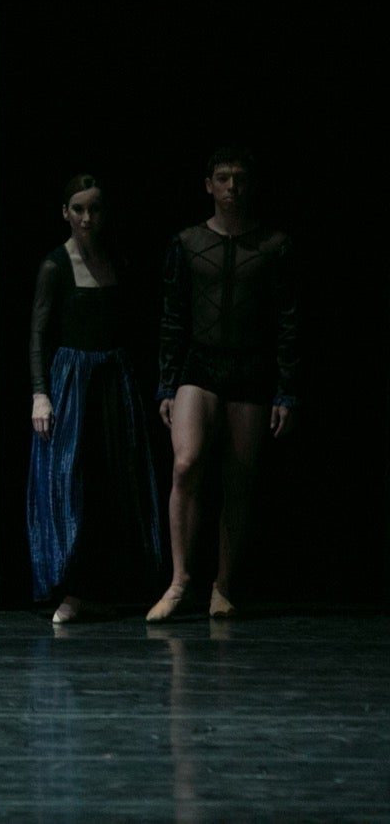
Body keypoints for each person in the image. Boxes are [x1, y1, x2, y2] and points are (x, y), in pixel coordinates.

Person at [149, 148, 298, 621]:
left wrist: (286, 389)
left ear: (250, 185)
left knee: (238, 479)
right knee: (186, 462)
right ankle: (179, 581)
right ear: (208, 185)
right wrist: (167, 384)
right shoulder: (188, 242)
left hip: (251, 370)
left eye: (239, 178)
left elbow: (289, 321)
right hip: (201, 365)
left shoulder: (274, 244)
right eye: (222, 178)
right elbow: (172, 316)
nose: (231, 187)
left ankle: (223, 584)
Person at [26, 174, 163, 624]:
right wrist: (40, 394)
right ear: (65, 213)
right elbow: (39, 335)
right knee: (74, 484)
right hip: (73, 381)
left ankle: (102, 589)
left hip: (114, 379)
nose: (87, 217)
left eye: (95, 209)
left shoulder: (117, 260)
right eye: (79, 208)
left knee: (114, 486)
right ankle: (74, 589)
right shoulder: (54, 265)